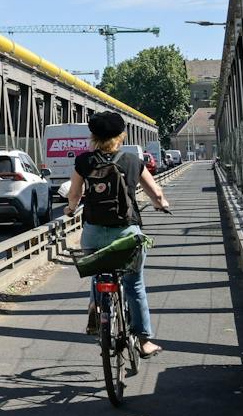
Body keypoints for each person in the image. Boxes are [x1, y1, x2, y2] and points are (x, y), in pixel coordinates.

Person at [65, 111, 170, 356]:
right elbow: (155, 193)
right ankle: (144, 342)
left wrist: (70, 209)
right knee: (134, 284)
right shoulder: (132, 161)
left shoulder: (84, 161)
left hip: (93, 233)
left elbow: (74, 194)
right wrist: (162, 204)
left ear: (93, 136)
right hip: (126, 234)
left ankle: (95, 305)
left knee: (97, 273)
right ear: (121, 135)